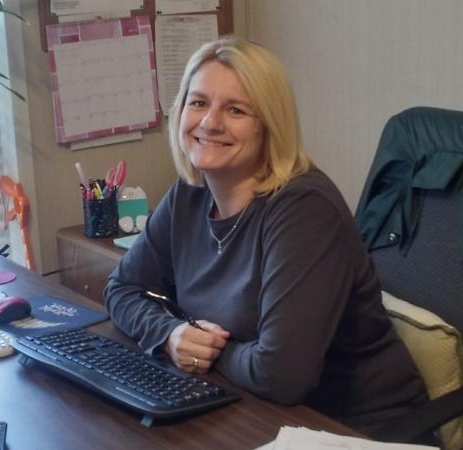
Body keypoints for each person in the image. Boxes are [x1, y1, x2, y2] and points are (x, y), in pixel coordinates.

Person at [104, 37, 427, 437]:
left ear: (269, 126)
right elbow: (121, 289)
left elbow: (282, 375)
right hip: (250, 409)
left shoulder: (304, 210)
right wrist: (170, 335)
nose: (210, 123)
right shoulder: (188, 195)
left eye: (236, 110)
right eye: (199, 102)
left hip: (353, 429)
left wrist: (207, 350)